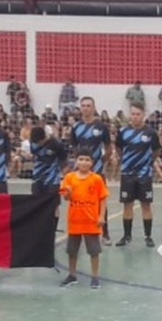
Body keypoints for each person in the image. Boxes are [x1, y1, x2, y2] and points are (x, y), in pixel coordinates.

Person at [59, 149, 109, 290]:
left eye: (87, 160)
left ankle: (95, 276)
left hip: (91, 221)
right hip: (75, 220)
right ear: (76, 161)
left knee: (94, 251)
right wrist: (68, 193)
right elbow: (65, 197)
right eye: (81, 159)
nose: (84, 162)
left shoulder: (96, 179)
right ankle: (72, 275)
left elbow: (103, 198)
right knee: (72, 251)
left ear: (92, 163)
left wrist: (101, 216)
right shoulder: (69, 177)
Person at [116, 102, 160, 247]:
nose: (135, 117)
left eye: (138, 114)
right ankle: (127, 236)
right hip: (127, 174)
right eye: (133, 114)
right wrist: (127, 161)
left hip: (144, 174)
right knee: (127, 205)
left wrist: (146, 163)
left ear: (143, 115)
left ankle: (148, 236)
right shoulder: (123, 132)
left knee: (145, 205)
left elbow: (156, 151)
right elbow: (119, 149)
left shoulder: (150, 133)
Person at [71, 96, 112, 245]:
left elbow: (108, 147)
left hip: (97, 171)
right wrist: (80, 164)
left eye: (88, 105)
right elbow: (74, 148)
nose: (86, 108)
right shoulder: (75, 127)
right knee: (80, 200)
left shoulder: (101, 127)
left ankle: (105, 234)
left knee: (101, 201)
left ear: (93, 108)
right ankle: (80, 232)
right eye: (83, 105)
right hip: (81, 172)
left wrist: (102, 160)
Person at [29, 125, 68, 200]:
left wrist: (66, 178)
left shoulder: (56, 144)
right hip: (37, 176)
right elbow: (34, 155)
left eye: (39, 142)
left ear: (44, 137)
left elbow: (63, 161)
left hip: (52, 178)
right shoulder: (33, 143)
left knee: (52, 201)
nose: (38, 144)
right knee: (36, 200)